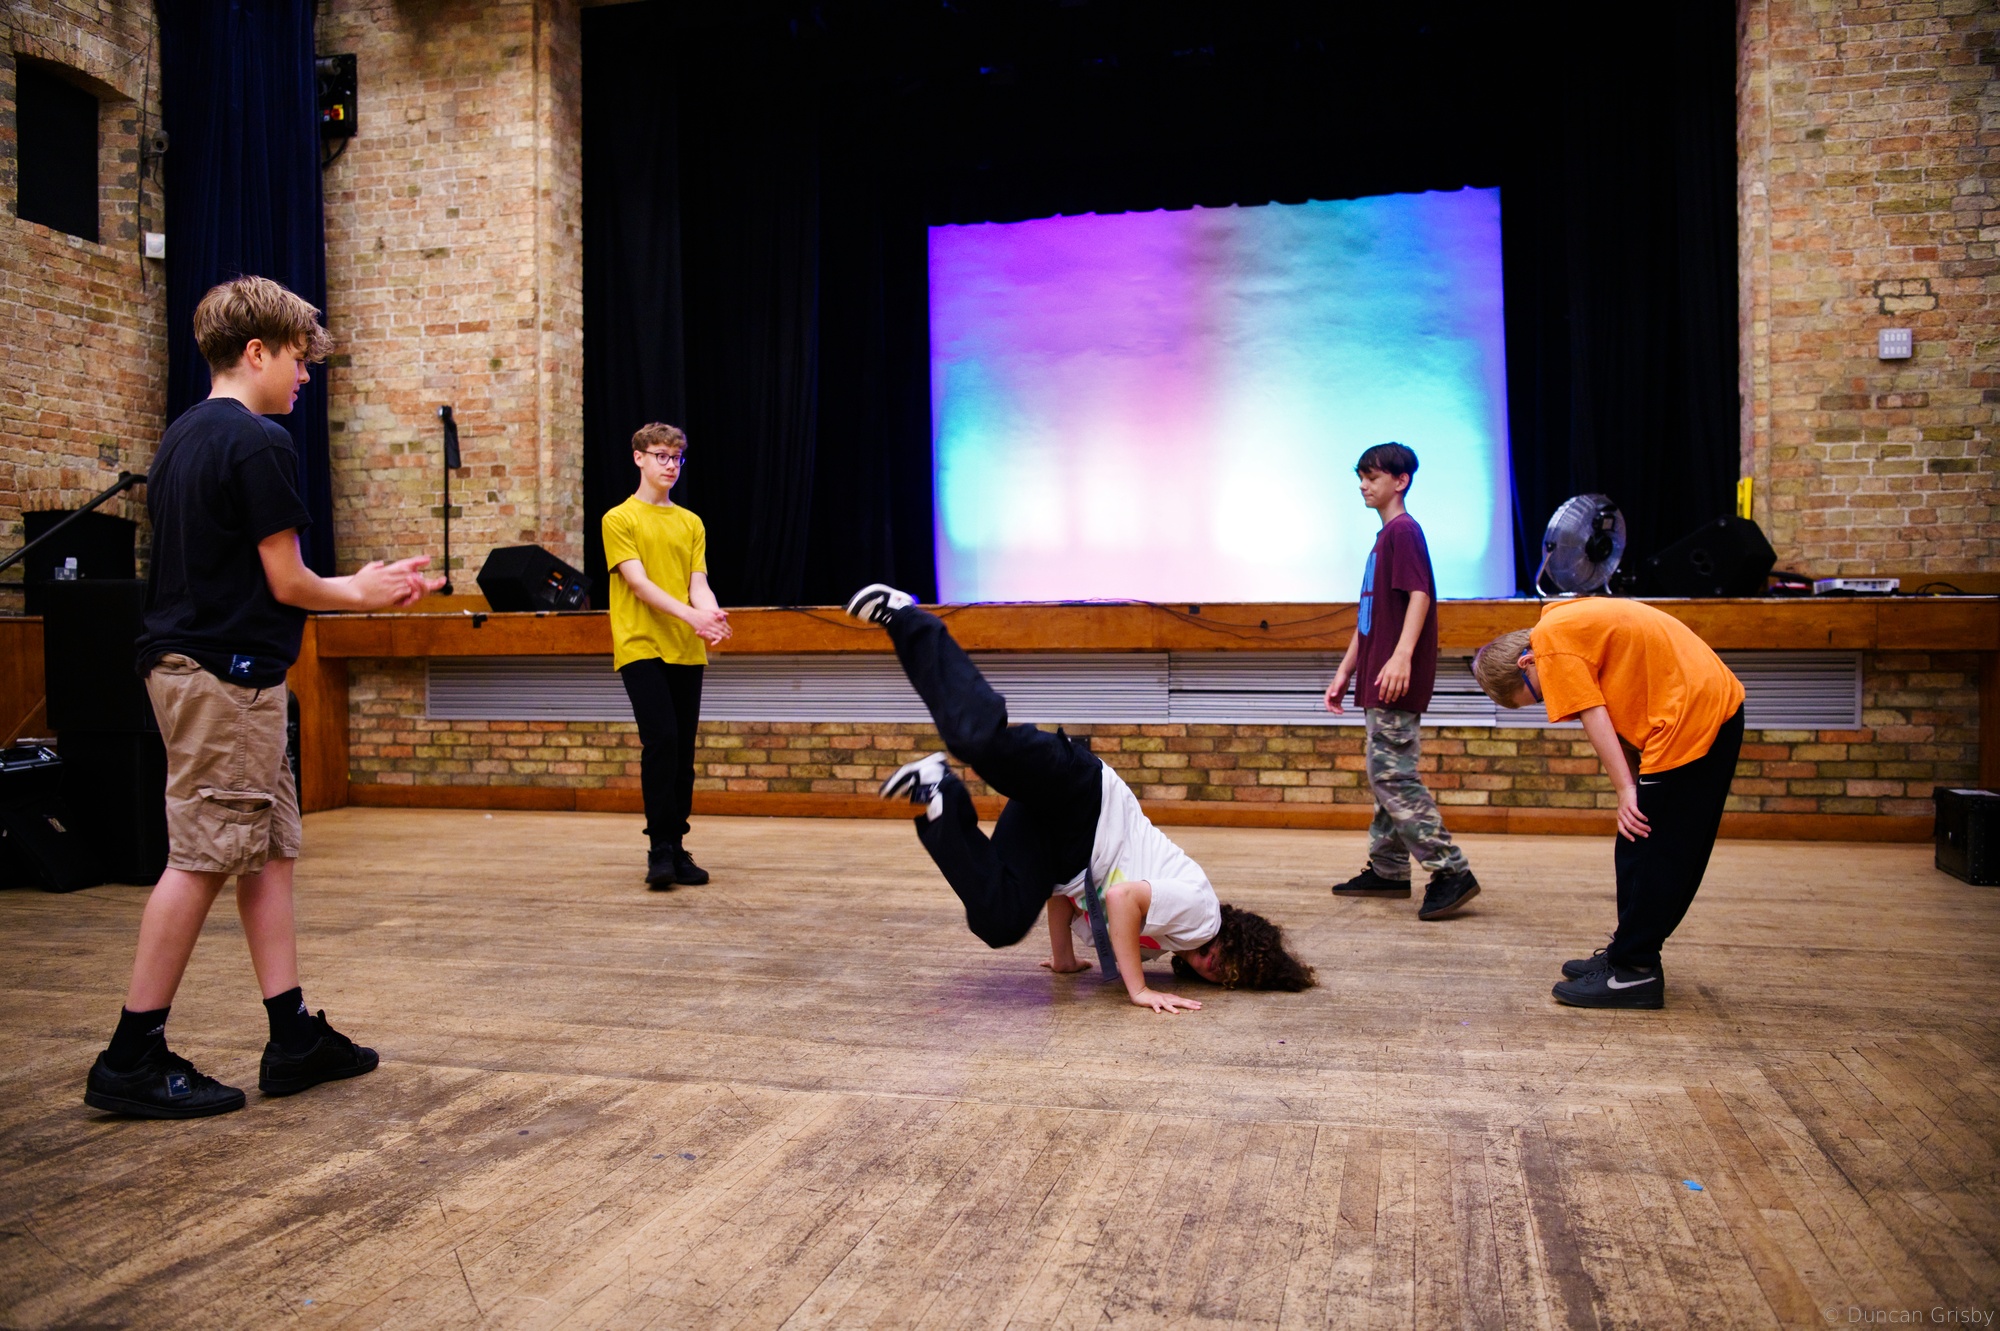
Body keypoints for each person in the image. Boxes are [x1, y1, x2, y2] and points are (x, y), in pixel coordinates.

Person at [85, 276, 444, 1119]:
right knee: (203, 855)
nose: (305, 377)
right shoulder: (257, 440)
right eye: (298, 359)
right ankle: (131, 1054)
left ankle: (293, 1035)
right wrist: (362, 590)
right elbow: (288, 580)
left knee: (270, 849)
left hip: (206, 672)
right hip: (227, 679)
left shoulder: (183, 435)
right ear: (257, 352)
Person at [844, 583, 1316, 1011]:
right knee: (979, 742)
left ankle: (938, 791)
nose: (1218, 968)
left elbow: (1070, 898)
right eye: (1231, 960)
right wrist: (1138, 989)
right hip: (1084, 798)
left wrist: (1064, 958)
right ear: (1237, 937)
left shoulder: (1163, 942)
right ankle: (907, 617)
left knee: (1000, 921)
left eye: (1229, 979)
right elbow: (1121, 897)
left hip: (1064, 850)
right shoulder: (1201, 916)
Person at [1471, 597, 1745, 1009]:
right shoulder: (1566, 628)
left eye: (1537, 696)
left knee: (1652, 847)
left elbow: (1594, 714)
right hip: (1695, 711)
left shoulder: (1552, 641)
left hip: (1694, 717)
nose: (1548, 702)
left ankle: (1635, 970)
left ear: (1527, 662)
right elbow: (1616, 716)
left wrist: (1626, 791)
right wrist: (1634, 781)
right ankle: (1626, 952)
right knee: (1641, 843)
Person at [1321, 442, 1480, 919]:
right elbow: (1369, 617)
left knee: (1392, 774)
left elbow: (1420, 595)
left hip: (1394, 675)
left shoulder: (1404, 531)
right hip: (1378, 674)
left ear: (1400, 480)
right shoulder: (1384, 538)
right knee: (1384, 771)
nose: (1363, 486)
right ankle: (1389, 869)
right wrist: (1346, 670)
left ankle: (1450, 870)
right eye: (1361, 478)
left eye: (1371, 477)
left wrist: (1402, 656)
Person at [603, 422, 729, 889]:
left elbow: (698, 584)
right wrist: (693, 616)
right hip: (640, 643)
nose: (671, 465)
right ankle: (658, 848)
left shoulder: (690, 522)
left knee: (683, 751)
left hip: (684, 648)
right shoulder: (619, 518)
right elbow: (639, 583)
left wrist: (710, 614)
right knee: (662, 741)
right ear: (639, 457)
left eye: (677, 458)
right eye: (661, 456)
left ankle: (676, 846)